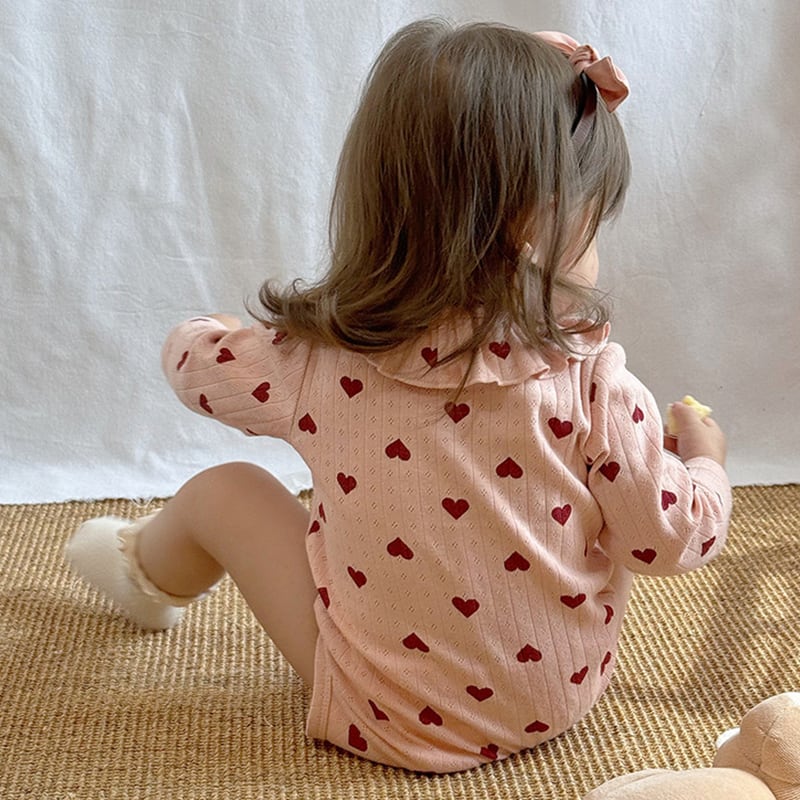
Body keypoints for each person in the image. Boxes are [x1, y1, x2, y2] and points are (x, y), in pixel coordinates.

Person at [65, 20, 731, 773]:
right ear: (530, 226)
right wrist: (703, 464)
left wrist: (208, 330)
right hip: (561, 696)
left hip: (382, 718)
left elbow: (196, 372)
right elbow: (669, 539)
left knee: (228, 491)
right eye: (593, 220)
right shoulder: (594, 382)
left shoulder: (311, 360)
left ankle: (146, 573)